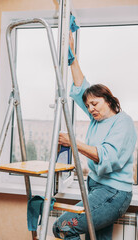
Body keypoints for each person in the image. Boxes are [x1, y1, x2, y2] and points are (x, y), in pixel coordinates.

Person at [52, 31, 137, 240]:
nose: (90, 108)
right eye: (88, 105)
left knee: (62, 227)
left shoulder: (122, 122)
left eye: (95, 104)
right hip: (97, 189)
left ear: (109, 100)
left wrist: (73, 143)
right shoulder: (96, 119)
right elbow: (82, 85)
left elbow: (106, 156)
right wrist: (72, 58)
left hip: (113, 193)